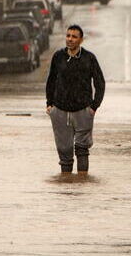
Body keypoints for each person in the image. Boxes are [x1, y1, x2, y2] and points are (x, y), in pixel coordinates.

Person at [46, 24, 105, 175]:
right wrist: (49, 104)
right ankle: (66, 188)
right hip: (60, 110)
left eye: (74, 37)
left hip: (83, 110)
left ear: (81, 40)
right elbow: (51, 81)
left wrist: (93, 107)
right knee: (64, 152)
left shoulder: (89, 58)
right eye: (68, 36)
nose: (70, 39)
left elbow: (100, 83)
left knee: (82, 149)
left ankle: (82, 186)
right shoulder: (58, 57)